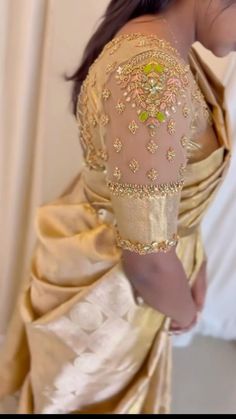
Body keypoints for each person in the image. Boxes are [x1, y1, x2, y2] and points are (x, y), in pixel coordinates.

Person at [0, 0, 235, 414]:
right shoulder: (153, 77)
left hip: (113, 263)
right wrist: (181, 311)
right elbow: (146, 261)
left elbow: (169, 191)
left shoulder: (154, 41)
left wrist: (195, 259)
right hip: (112, 295)